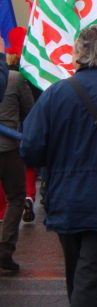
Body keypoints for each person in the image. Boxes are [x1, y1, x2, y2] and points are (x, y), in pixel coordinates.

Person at [20, 26, 97, 303]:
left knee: (80, 284)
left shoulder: (55, 94)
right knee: (88, 287)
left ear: (78, 54)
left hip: (66, 200)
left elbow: (31, 150)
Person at [0, 45, 32, 271]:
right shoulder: (15, 78)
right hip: (8, 148)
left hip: (9, 143)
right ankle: (5, 249)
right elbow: (30, 110)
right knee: (16, 197)